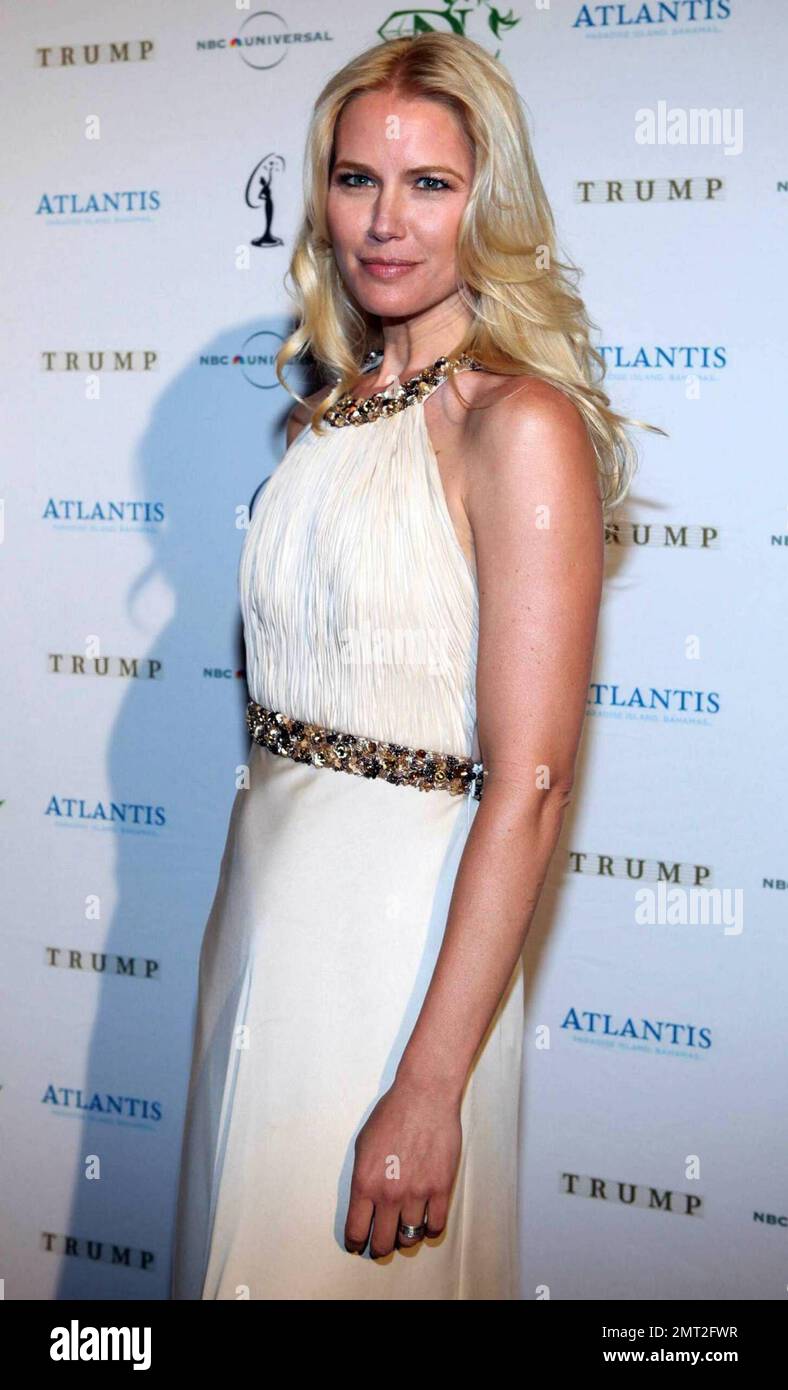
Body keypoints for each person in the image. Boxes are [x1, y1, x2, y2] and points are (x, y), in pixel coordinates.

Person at [170, 31, 660, 1301]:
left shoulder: (518, 426)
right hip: (265, 913)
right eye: (355, 179)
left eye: (428, 184)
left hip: (404, 949)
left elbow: (533, 782)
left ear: (484, 202)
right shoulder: (320, 417)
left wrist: (430, 1081)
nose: (384, 222)